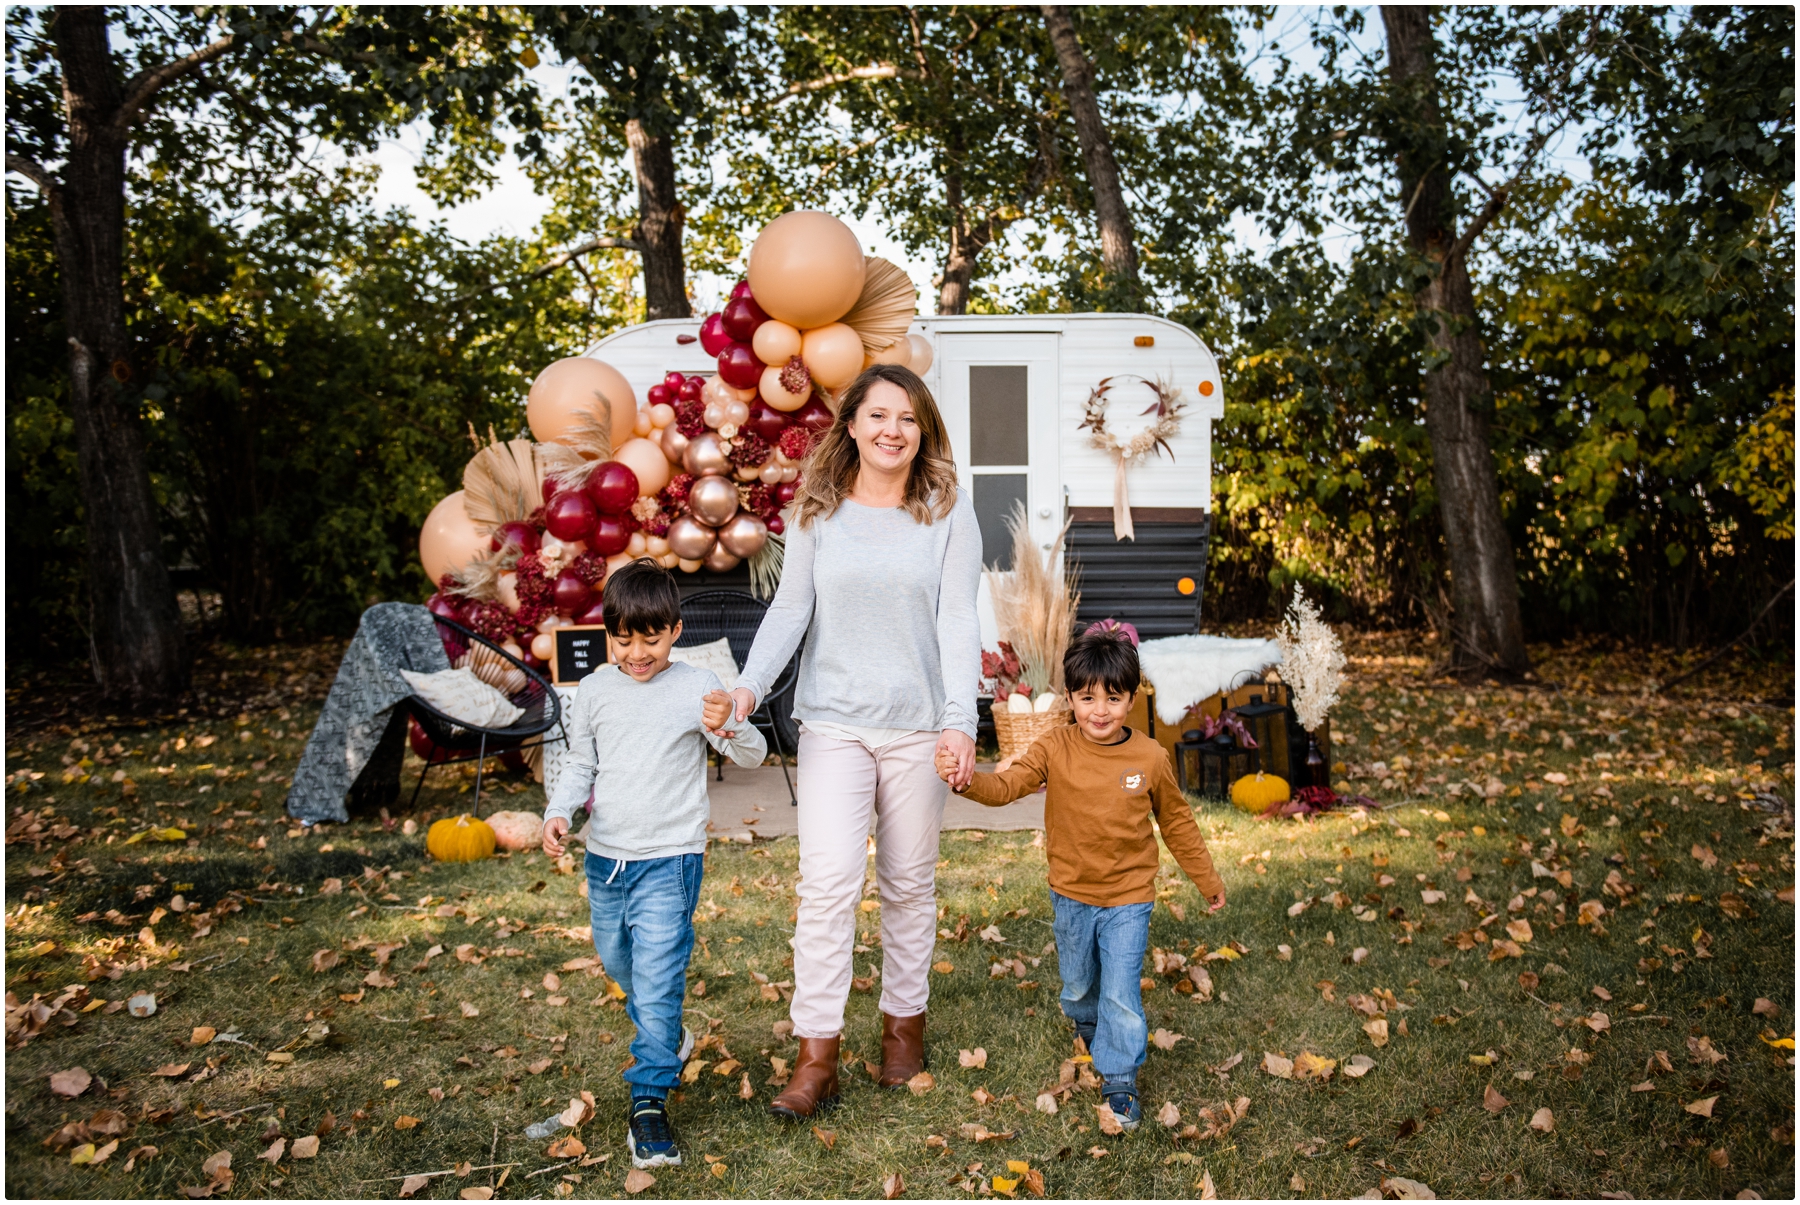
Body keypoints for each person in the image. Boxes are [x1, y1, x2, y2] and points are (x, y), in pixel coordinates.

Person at [721, 364, 981, 1120]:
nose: (892, 429)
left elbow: (958, 620)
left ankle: (904, 1031)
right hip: (832, 719)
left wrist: (960, 718)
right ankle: (816, 1055)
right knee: (828, 886)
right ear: (855, 426)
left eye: (907, 417)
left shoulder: (946, 510)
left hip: (918, 725)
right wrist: (746, 686)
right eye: (878, 416)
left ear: (923, 428)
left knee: (907, 884)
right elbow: (789, 609)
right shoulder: (818, 509)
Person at [935, 630, 1226, 1131]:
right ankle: (1087, 1022)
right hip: (1071, 894)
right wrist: (968, 782)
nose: (1100, 709)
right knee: (1078, 985)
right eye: (1087, 697)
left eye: (1113, 698)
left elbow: (1177, 823)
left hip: (1128, 899)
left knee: (1121, 991)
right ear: (1069, 698)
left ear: (1132, 698)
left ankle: (1119, 1077)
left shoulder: (1151, 759)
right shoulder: (1054, 746)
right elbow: (1007, 785)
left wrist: (1208, 880)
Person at [541, 558, 767, 1168]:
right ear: (608, 633)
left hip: (670, 860)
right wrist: (560, 812)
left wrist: (733, 724)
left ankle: (648, 1101)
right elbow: (580, 765)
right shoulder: (594, 691)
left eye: (651, 636)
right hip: (607, 861)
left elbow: (752, 753)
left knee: (659, 977)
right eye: (623, 638)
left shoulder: (698, 687)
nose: (637, 652)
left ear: (674, 629)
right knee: (622, 966)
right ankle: (668, 1038)